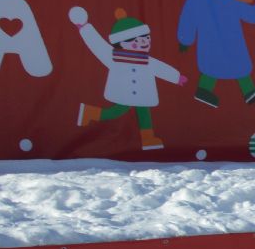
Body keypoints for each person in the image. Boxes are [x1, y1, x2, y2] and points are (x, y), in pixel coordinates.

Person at [74, 8, 187, 151]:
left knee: (144, 110)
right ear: (121, 43)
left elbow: (160, 68)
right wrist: (85, 28)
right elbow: (97, 45)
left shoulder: (146, 60)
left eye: (146, 38)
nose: (144, 42)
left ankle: (148, 138)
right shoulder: (113, 57)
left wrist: (176, 77)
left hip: (143, 91)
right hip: (124, 91)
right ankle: (91, 113)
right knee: (117, 111)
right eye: (137, 40)